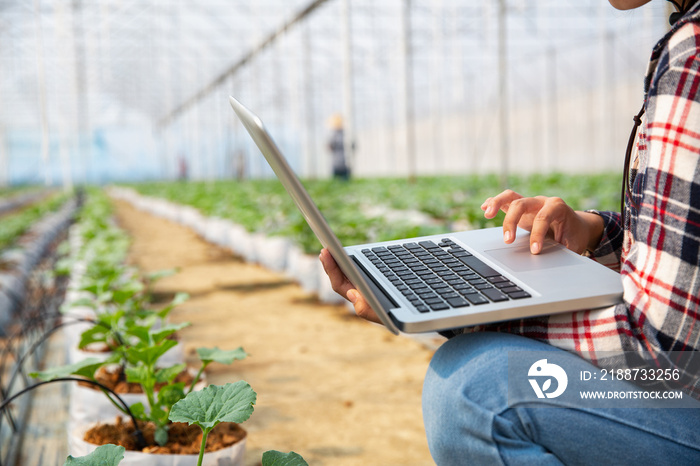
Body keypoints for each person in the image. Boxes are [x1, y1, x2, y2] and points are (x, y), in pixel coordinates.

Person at [319, 0, 700, 464]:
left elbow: (662, 351)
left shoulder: (692, 55)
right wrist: (593, 231)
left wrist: (468, 309)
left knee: (476, 391)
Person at [327, 114, 351, 180]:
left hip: (345, 162)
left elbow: (352, 145)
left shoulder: (346, 134)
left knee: (344, 180)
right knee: (336, 181)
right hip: (336, 162)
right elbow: (330, 147)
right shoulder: (332, 135)